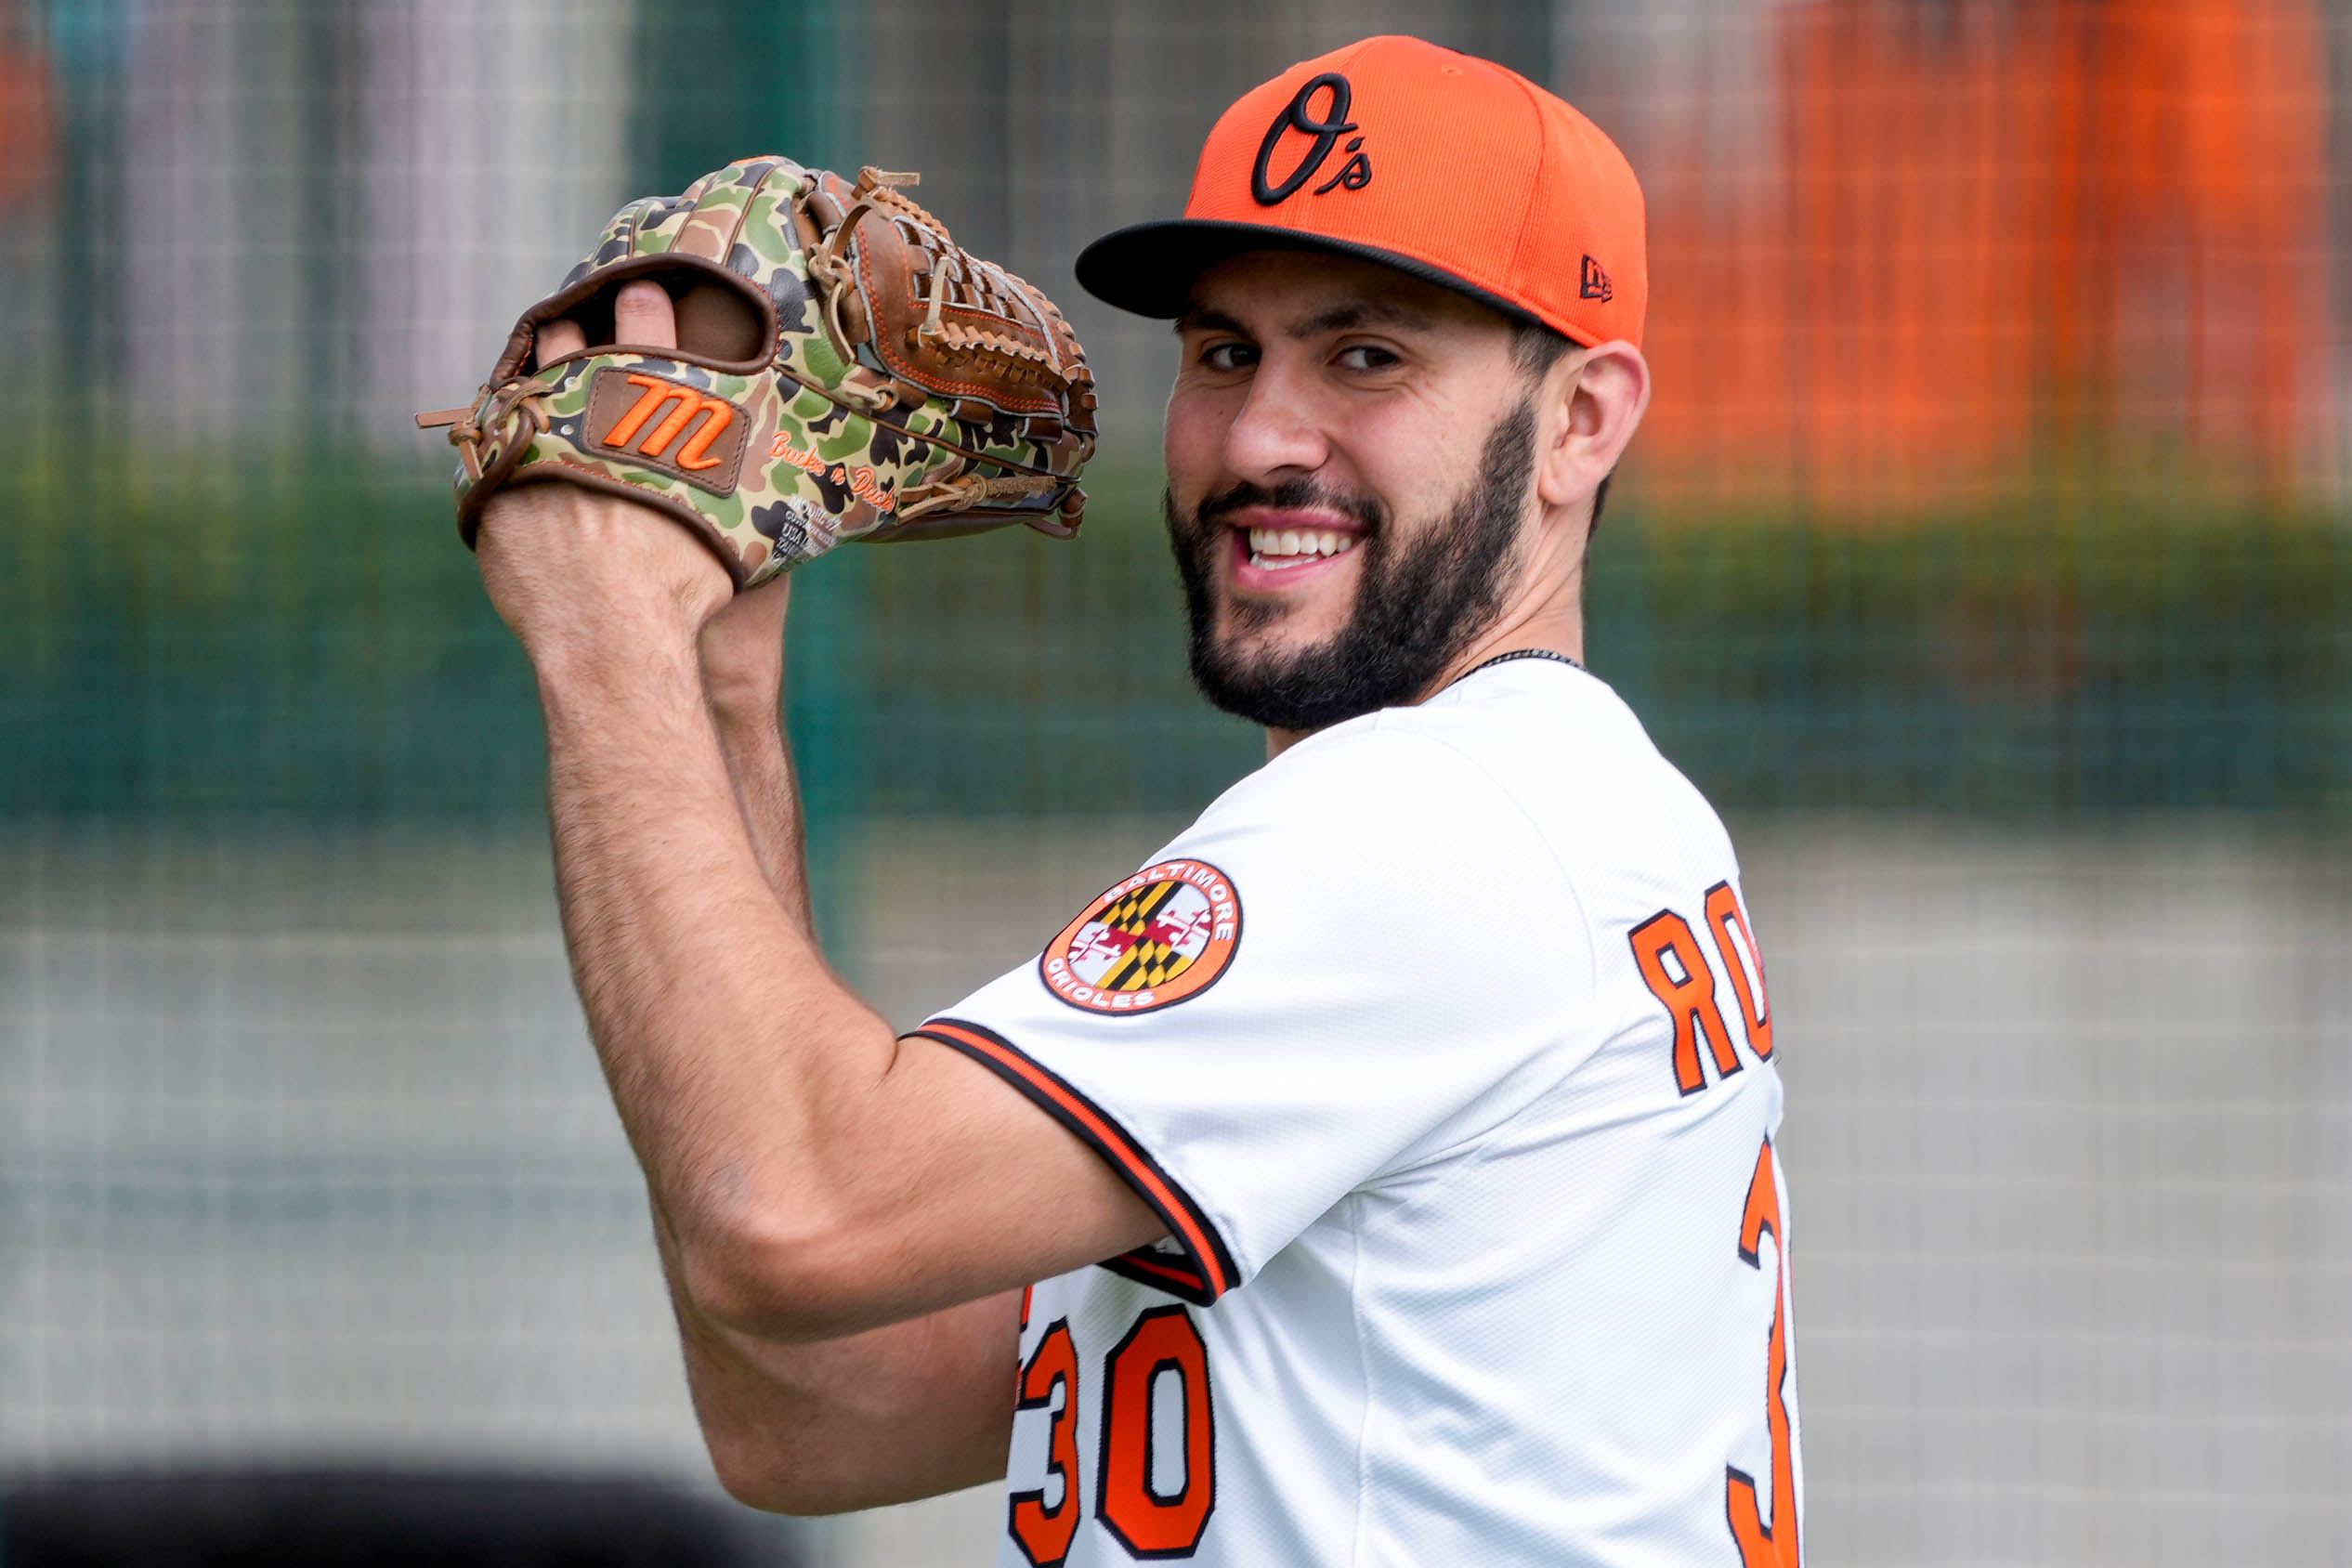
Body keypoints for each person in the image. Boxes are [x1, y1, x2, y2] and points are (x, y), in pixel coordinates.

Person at [473, 33, 1800, 1567]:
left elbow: (789, 1215)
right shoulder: (1580, 817)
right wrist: (718, 693)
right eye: (1226, 353)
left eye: (1366, 356)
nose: (1258, 440)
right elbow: (823, 1410)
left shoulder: (1434, 828)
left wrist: (604, 623)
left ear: (1582, 420)